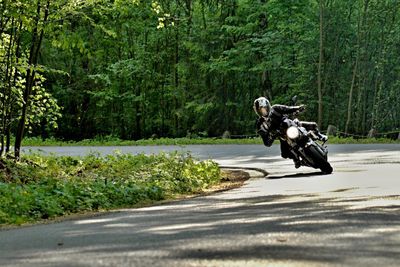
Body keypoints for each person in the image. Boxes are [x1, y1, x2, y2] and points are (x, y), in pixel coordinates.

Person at [253, 96, 327, 168]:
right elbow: (266, 142)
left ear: (268, 106)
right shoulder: (260, 124)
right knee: (285, 154)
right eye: (260, 110)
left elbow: (287, 108)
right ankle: (296, 159)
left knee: (312, 125)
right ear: (257, 112)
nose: (263, 111)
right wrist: (271, 137)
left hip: (292, 126)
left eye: (264, 109)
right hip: (283, 137)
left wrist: (298, 108)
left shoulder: (275, 108)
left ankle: (320, 136)